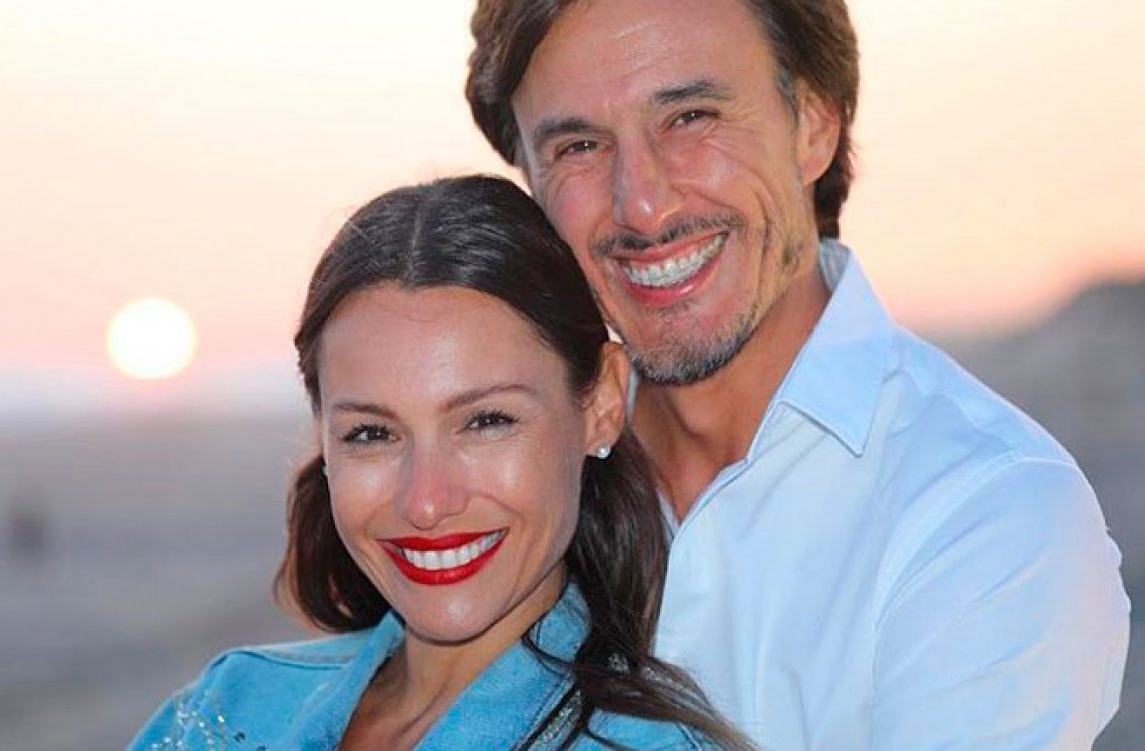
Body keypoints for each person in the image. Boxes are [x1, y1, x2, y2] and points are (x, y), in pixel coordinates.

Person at [465, 1, 1130, 749]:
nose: (641, 205)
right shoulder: (499, 487)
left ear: (814, 125)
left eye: (690, 118)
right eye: (580, 146)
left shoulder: (987, 514)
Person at [129, 175, 752, 750]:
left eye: (487, 421)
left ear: (602, 404)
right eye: (372, 433)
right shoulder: (227, 708)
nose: (426, 502)